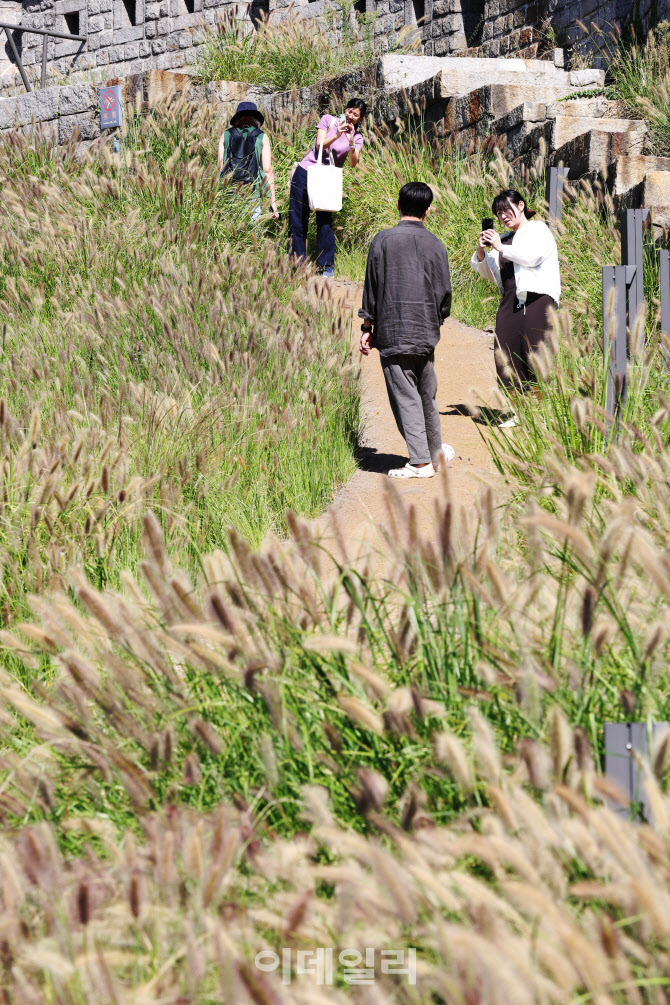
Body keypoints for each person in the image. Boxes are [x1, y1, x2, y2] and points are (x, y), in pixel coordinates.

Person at [358, 182, 455, 479]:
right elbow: (444, 293)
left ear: (398, 205)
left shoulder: (382, 241)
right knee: (427, 395)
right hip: (425, 332)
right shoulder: (436, 244)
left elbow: (372, 287)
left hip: (393, 330)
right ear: (427, 211)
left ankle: (421, 463)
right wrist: (434, 321)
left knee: (406, 397)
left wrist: (367, 326)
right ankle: (434, 454)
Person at [470, 188, 560, 427]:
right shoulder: (505, 238)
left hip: (538, 299)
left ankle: (542, 412)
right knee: (507, 355)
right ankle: (520, 412)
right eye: (499, 212)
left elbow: (532, 258)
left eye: (506, 209)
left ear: (521, 205)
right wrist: (482, 251)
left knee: (537, 354)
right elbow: (490, 272)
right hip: (511, 301)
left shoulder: (538, 229)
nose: (503, 216)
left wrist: (500, 246)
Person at [288, 98, 366, 278]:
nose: (351, 116)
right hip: (306, 172)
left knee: (325, 222)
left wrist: (351, 141)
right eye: (350, 112)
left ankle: (326, 265)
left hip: (328, 179)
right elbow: (319, 145)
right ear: (345, 110)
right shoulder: (328, 120)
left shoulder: (358, 137)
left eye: (356, 115)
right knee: (298, 220)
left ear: (359, 118)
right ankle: (297, 265)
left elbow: (353, 163)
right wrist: (337, 135)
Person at [218, 101, 278, 221]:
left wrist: (218, 194)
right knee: (252, 233)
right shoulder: (261, 136)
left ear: (237, 118)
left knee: (230, 232)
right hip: (253, 192)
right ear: (256, 119)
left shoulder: (225, 135)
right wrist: (273, 202)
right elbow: (267, 170)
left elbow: (220, 167)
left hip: (229, 192)